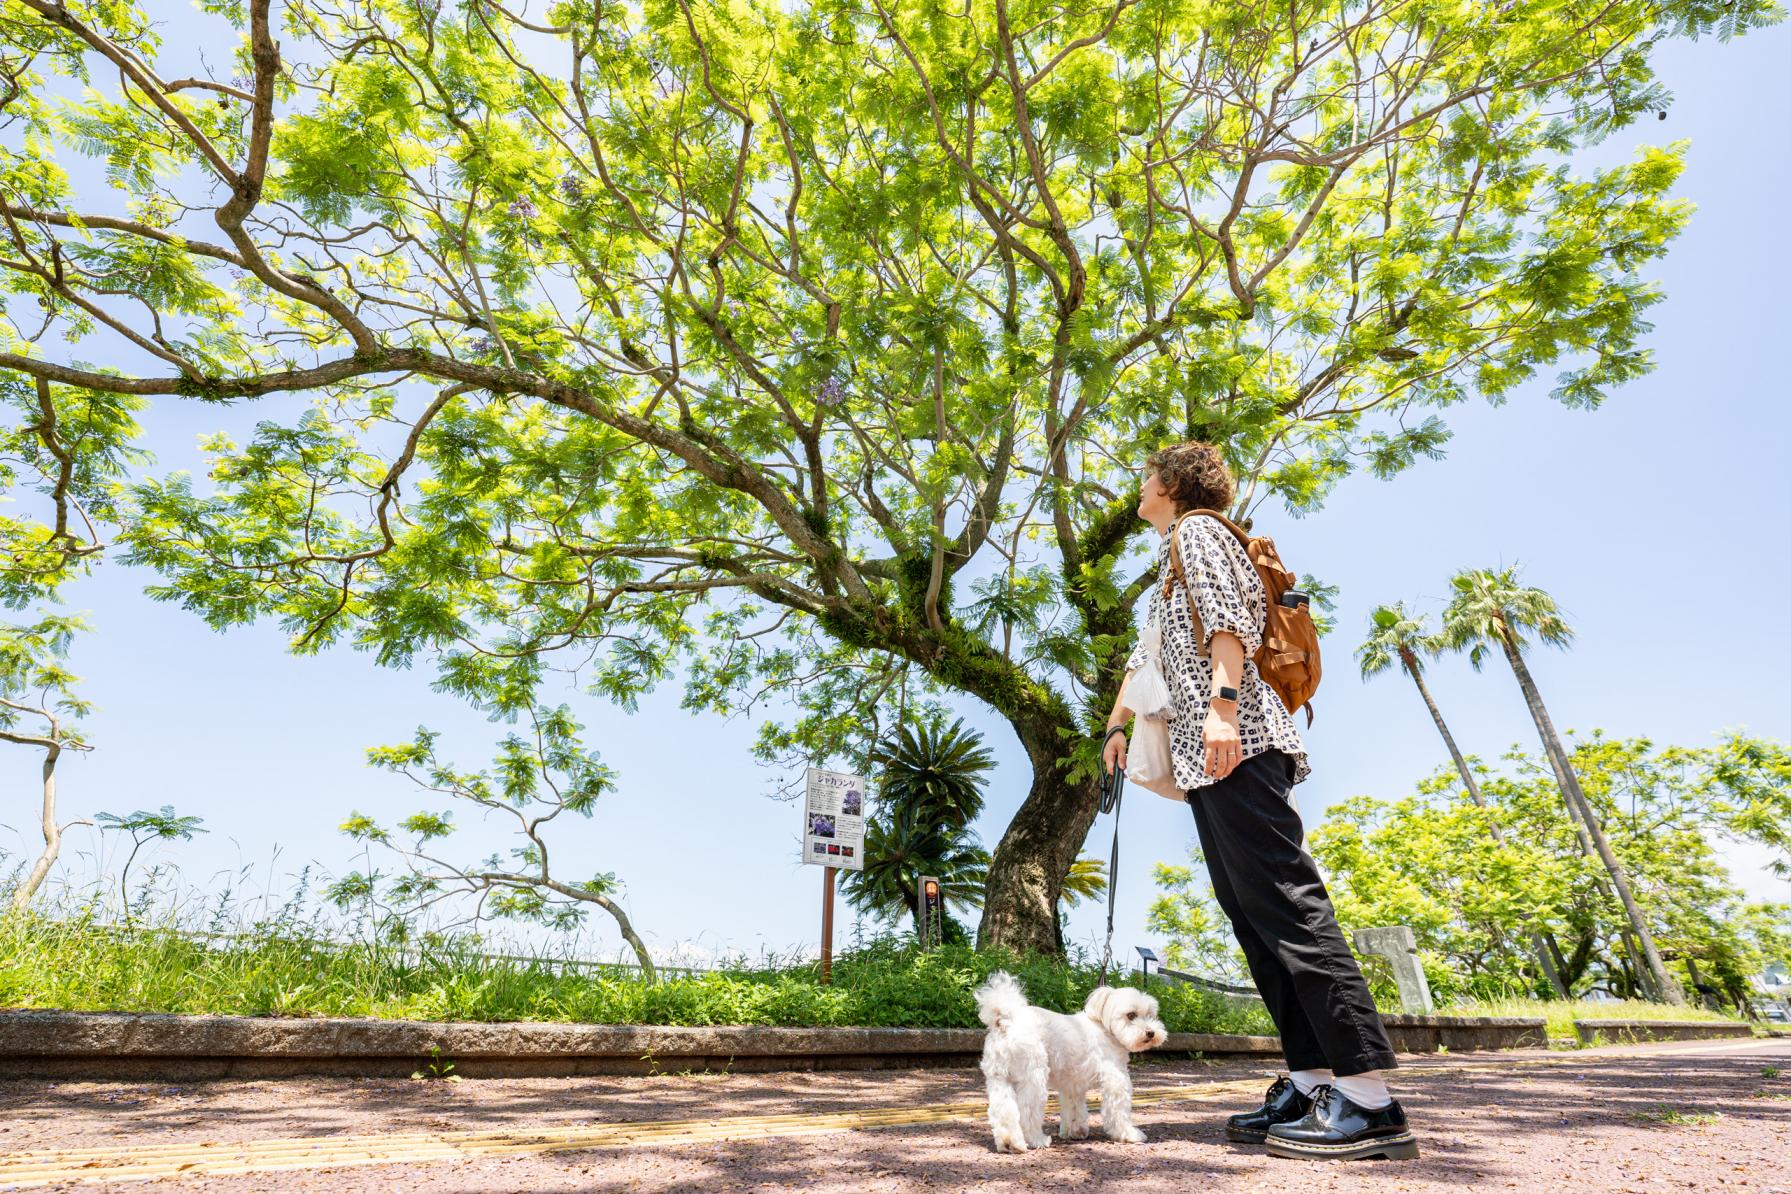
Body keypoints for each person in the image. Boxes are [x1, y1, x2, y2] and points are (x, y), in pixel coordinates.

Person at [1100, 441, 1419, 1162]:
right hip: (1206, 759)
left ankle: (1370, 1102)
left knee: (1288, 905)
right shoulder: (1169, 557)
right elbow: (1148, 657)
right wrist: (1117, 726)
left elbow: (1229, 622)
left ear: (1173, 486)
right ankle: (1311, 1085)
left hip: (1234, 740)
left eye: (1146, 476)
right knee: (1254, 918)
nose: (1138, 487)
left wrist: (1221, 708)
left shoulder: (1200, 531)